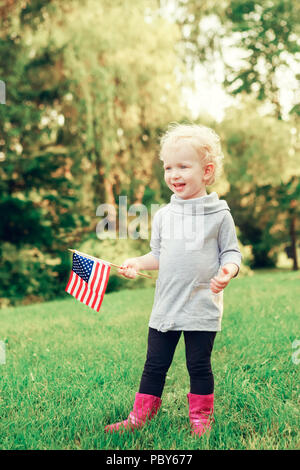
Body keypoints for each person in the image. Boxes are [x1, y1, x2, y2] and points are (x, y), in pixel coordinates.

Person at [104, 123, 242, 437]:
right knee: (154, 364)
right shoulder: (165, 215)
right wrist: (136, 262)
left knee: (198, 365)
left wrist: (227, 271)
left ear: (206, 171)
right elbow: (159, 255)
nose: (173, 174)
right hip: (166, 306)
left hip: (201, 307)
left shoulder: (220, 214)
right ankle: (140, 416)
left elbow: (232, 253)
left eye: (183, 166)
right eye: (168, 167)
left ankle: (200, 419)